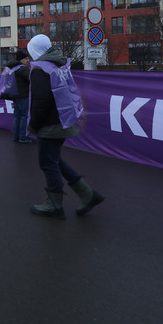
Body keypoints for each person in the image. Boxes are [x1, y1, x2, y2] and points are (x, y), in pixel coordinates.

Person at [26, 34, 105, 219]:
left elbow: (40, 101)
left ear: (35, 51)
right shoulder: (59, 65)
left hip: (49, 124)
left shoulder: (40, 69)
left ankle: (53, 205)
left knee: (47, 163)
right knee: (54, 160)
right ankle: (87, 194)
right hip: (64, 119)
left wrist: (33, 125)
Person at [5, 49, 35, 144]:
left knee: (17, 116)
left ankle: (16, 136)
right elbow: (32, 78)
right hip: (23, 95)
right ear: (20, 59)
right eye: (26, 58)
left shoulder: (12, 67)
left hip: (15, 95)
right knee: (24, 117)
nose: (28, 60)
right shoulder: (22, 68)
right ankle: (23, 137)